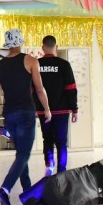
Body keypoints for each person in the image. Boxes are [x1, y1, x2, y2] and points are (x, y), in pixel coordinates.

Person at [0, 28, 52, 205]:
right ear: (20, 42)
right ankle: (5, 189)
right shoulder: (31, 61)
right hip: (26, 113)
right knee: (24, 155)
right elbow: (39, 89)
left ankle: (28, 194)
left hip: (9, 115)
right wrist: (47, 109)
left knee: (20, 155)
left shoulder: (0, 66)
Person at [34, 35, 78, 175]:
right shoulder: (64, 65)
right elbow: (71, 88)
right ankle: (61, 171)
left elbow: (33, 89)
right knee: (61, 142)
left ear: (43, 48)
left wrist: (35, 108)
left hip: (43, 111)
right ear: (56, 47)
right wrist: (74, 109)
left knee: (47, 139)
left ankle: (49, 164)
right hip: (62, 111)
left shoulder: (37, 64)